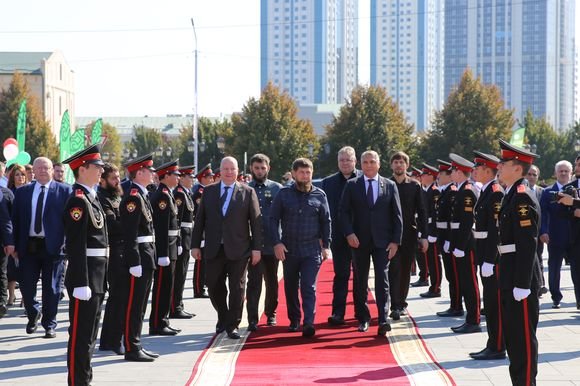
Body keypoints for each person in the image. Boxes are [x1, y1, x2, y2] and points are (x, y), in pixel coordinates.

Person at [192, 156, 262, 339]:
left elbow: (256, 222)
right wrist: (195, 245)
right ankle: (222, 316)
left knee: (237, 288)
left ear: (238, 171)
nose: (229, 172)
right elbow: (199, 221)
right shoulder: (209, 192)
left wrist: (257, 248)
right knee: (213, 285)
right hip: (214, 248)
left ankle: (233, 324)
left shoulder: (248, 192)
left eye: (233, 169)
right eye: (226, 169)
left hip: (239, 249)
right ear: (220, 172)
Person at [339, 150, 402, 336]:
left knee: (382, 280)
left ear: (379, 164)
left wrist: (395, 241)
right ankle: (363, 317)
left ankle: (383, 319)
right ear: (360, 164)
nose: (368, 165)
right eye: (365, 162)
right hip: (359, 241)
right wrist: (349, 233)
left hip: (383, 241)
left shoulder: (389, 185)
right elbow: (342, 212)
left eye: (372, 161)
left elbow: (397, 216)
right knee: (360, 280)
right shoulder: (352, 185)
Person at [61, 144, 108, 386]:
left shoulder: (91, 198)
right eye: (97, 167)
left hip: (96, 278)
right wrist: (81, 281)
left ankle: (85, 380)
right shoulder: (78, 201)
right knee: (80, 336)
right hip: (86, 278)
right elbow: (76, 245)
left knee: (89, 337)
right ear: (83, 169)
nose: (102, 171)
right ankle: (77, 382)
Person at [496, 139, 541, 386]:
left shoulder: (522, 197)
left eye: (503, 163)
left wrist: (522, 283)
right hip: (510, 273)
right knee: (513, 338)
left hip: (519, 278)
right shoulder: (511, 194)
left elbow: (527, 243)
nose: (499, 167)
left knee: (522, 338)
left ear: (517, 167)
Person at [9, 157, 71, 337]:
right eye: (39, 168)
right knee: (27, 286)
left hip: (54, 246)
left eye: (46, 168)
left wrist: (67, 243)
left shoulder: (65, 191)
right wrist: (12, 243)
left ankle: (49, 323)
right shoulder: (23, 192)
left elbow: (69, 222)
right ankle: (33, 314)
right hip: (28, 246)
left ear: (52, 170)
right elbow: (16, 220)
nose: (43, 171)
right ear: (33, 171)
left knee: (52, 288)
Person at [269, 158, 330, 337]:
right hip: (290, 249)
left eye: (308, 172)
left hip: (311, 249)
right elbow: (273, 219)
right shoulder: (284, 194)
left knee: (308, 286)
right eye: (301, 172)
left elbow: (326, 221)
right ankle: (295, 320)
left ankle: (308, 322)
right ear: (294, 173)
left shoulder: (320, 195)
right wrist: (277, 243)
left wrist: (326, 245)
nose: (305, 175)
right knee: (290, 286)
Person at [120, 153, 159, 362]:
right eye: (150, 171)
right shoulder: (133, 197)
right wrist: (134, 261)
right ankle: (131, 347)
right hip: (140, 258)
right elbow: (130, 233)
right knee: (134, 305)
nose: (153, 175)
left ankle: (136, 343)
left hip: (147, 255)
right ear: (140, 172)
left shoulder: (142, 194)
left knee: (142, 304)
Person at [469, 151, 505, 360]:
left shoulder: (495, 192)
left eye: (477, 168)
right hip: (484, 253)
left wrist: (490, 260)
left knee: (494, 303)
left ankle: (498, 345)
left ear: (487, 170)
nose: (473, 171)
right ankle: (493, 343)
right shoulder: (486, 190)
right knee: (490, 303)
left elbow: (496, 230)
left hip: (493, 258)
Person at [322, 146, 360, 326]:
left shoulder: (363, 179)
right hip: (338, 238)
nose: (345, 163)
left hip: (361, 238)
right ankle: (338, 313)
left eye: (348, 160)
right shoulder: (328, 183)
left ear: (355, 161)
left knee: (360, 277)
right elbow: (325, 212)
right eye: (342, 160)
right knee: (341, 276)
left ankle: (361, 313)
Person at [388, 152, 427, 320]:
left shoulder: (414, 185)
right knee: (392, 269)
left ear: (407, 165)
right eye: (395, 162)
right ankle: (394, 304)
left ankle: (401, 303)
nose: (398, 165)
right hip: (390, 236)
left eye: (401, 162)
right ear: (391, 165)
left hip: (409, 235)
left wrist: (424, 236)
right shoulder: (386, 184)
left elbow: (422, 212)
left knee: (404, 270)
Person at [246, 154, 283, 331]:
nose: (260, 171)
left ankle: (271, 313)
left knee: (272, 281)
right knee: (253, 282)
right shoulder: (245, 188)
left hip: (272, 242)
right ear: (251, 169)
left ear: (268, 168)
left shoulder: (278, 189)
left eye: (263, 168)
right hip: (253, 244)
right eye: (256, 168)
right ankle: (252, 318)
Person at [448, 153, 481, 334]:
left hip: (467, 244)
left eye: (453, 170)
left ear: (459, 172)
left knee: (470, 282)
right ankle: (470, 318)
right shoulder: (461, 188)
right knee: (465, 281)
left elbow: (467, 221)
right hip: (462, 243)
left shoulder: (467, 190)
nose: (451, 173)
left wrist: (460, 246)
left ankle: (474, 320)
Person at [149, 160, 183, 336]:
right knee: (162, 286)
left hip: (170, 246)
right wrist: (162, 253)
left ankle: (163, 320)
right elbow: (161, 228)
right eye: (175, 175)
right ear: (166, 176)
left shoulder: (167, 194)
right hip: (164, 249)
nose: (178, 178)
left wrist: (177, 244)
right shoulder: (162, 196)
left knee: (167, 286)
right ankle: (157, 323)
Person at [98, 163, 126, 355]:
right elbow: (113, 225)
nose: (117, 180)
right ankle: (113, 340)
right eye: (113, 178)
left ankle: (109, 340)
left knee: (118, 298)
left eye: (118, 177)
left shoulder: (117, 196)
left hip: (121, 249)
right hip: (113, 251)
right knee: (117, 297)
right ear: (103, 180)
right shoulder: (102, 198)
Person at [539, 160, 575, 309]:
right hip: (555, 236)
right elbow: (543, 214)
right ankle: (556, 296)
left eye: (566, 171)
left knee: (577, 269)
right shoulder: (547, 193)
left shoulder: (576, 190)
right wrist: (544, 231)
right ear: (555, 173)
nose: (564, 173)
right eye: (561, 171)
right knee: (554, 267)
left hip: (574, 237)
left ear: (571, 173)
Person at [435, 160, 463, 317]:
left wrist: (449, 241)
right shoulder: (447, 191)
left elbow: (453, 221)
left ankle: (457, 305)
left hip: (449, 238)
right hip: (444, 237)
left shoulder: (452, 191)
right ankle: (454, 304)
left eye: (441, 173)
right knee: (450, 274)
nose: (438, 176)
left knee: (454, 275)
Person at [170, 165, 196, 319]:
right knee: (179, 275)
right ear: (183, 178)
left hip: (187, 236)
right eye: (189, 177)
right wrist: (179, 241)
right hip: (182, 236)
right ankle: (175, 307)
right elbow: (177, 221)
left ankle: (178, 305)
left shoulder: (185, 193)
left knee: (182, 273)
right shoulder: (179, 194)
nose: (192, 180)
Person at [419, 163, 443, 298]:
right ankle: (433, 286)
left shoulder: (434, 191)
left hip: (432, 231)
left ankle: (436, 287)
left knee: (434, 260)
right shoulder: (426, 190)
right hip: (427, 230)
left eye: (424, 174)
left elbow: (435, 215)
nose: (421, 176)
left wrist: (433, 233)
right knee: (430, 259)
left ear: (431, 176)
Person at [192, 163, 214, 298]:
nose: (212, 179)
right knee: (200, 263)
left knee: (204, 262)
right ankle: (198, 289)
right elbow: (199, 216)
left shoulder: (205, 191)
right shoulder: (200, 193)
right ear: (203, 178)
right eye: (209, 177)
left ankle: (201, 287)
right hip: (202, 233)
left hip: (206, 232)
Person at [561, 154, 580, 309]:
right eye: (576, 165)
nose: (577, 168)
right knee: (577, 273)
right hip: (576, 239)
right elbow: (560, 212)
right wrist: (573, 212)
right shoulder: (570, 187)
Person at [526, 164, 547, 295]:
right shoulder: (521, 190)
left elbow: (544, 213)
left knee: (538, 257)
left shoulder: (541, 191)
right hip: (526, 232)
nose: (532, 177)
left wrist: (544, 231)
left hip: (538, 232)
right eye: (529, 174)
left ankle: (540, 285)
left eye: (535, 175)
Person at [0, 187, 14, 318]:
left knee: (1, 272)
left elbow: (6, 219)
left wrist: (9, 241)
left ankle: (1, 302)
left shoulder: (3, 194)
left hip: (1, 242)